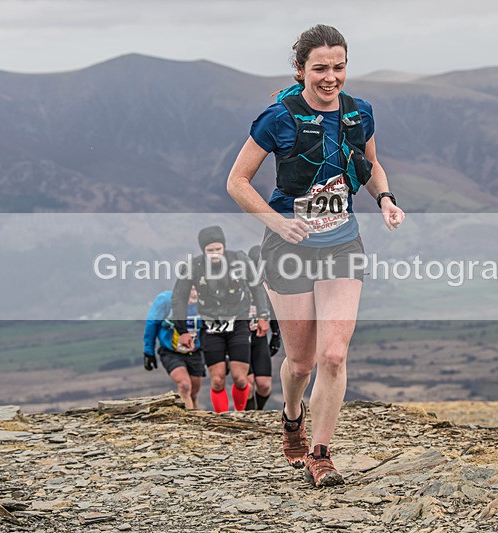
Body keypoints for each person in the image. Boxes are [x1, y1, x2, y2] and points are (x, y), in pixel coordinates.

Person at [226, 25, 405, 487]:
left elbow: (368, 164)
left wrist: (384, 197)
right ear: (301, 69)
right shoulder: (278, 117)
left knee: (333, 356)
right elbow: (237, 182)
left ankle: (321, 454)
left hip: (342, 244)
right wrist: (277, 222)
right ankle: (291, 417)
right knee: (300, 363)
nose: (331, 77)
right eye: (320, 68)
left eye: (339, 67)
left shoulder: (358, 112)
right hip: (288, 248)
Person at [172, 225, 270, 413]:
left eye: (218, 249)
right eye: (210, 250)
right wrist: (182, 330)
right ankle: (221, 418)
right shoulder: (193, 266)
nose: (215, 254)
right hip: (211, 326)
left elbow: (256, 286)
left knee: (241, 378)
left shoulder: (239, 260)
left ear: (224, 247)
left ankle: (241, 415)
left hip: (238, 323)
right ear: (203, 250)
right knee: (217, 380)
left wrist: (263, 315)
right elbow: (179, 297)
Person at [143, 286, 204, 409]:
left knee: (193, 394)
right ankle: (188, 424)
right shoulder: (165, 300)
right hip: (171, 352)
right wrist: (148, 351)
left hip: (194, 351)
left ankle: (196, 422)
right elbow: (152, 323)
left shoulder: (207, 300)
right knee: (185, 386)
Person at [245, 245, 282, 411]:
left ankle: (257, 412)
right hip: (239, 338)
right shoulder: (240, 283)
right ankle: (248, 415)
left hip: (259, 337)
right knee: (248, 382)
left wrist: (276, 335)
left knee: (264, 385)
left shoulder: (269, 286)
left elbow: (273, 311)